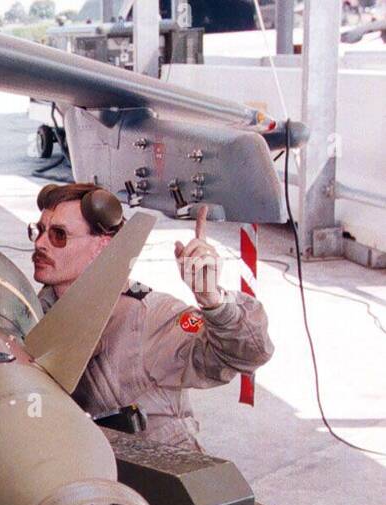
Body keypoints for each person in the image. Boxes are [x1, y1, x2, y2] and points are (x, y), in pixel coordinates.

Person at [30, 182, 275, 451]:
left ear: (102, 247)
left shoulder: (150, 316)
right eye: (39, 231)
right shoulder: (35, 311)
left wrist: (214, 302)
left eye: (58, 235)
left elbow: (250, 353)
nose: (40, 244)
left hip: (158, 472)